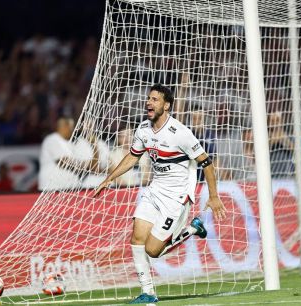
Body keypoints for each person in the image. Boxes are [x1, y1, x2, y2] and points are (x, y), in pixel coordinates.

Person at [94, 84, 226, 303]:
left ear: (166, 105)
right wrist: (109, 178)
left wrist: (213, 196)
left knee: (153, 251)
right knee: (136, 238)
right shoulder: (143, 129)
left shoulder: (180, 133)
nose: (149, 102)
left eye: (155, 99)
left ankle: (193, 228)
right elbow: (133, 156)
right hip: (154, 190)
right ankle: (148, 293)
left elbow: (207, 163)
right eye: (148, 98)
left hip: (176, 197)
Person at [39, 117, 99, 191]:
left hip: (70, 189)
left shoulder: (72, 144)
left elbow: (93, 167)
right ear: (64, 127)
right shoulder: (52, 139)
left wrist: (93, 145)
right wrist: (87, 166)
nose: (73, 130)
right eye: (71, 127)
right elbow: (64, 162)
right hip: (52, 188)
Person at [268, 112, 294, 177]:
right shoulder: (265, 138)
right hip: (271, 174)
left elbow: (293, 148)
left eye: (277, 120)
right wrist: (273, 140)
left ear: (282, 121)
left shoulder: (289, 136)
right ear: (268, 123)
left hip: (287, 174)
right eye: (272, 121)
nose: (275, 123)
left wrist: (283, 137)